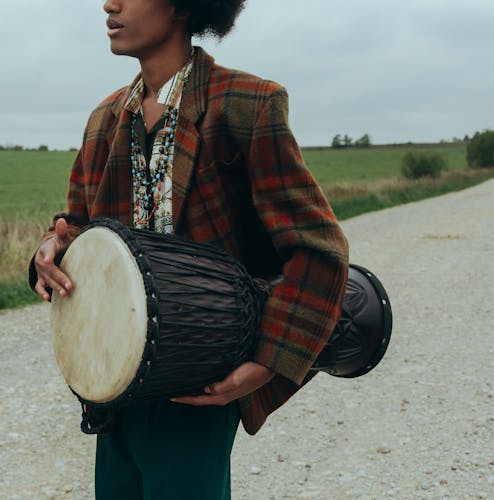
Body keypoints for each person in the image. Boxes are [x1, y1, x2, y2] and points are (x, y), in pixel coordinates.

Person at [29, 0, 349, 498]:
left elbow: (318, 249)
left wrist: (269, 360)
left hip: (200, 378)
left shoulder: (247, 104)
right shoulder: (104, 119)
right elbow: (79, 229)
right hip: (113, 379)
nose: (109, 5)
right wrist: (50, 251)